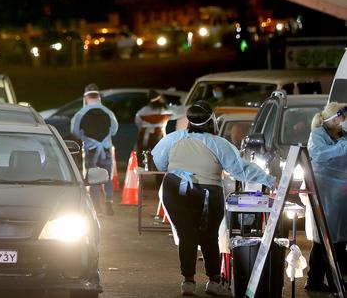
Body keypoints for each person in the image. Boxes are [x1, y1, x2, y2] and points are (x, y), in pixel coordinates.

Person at [151, 100, 275, 296]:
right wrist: (268, 179)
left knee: (186, 235)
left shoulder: (173, 138)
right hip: (207, 192)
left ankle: (188, 282)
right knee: (209, 236)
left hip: (174, 189)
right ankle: (213, 281)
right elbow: (240, 169)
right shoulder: (218, 143)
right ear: (212, 122)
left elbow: (158, 160)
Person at [304, 102, 347, 292]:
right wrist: (344, 145)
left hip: (341, 192)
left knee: (339, 238)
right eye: (342, 117)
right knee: (323, 236)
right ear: (333, 118)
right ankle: (314, 280)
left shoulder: (343, 135)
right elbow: (320, 155)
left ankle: (335, 280)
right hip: (324, 189)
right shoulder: (318, 135)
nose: (344, 120)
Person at [71, 83, 118, 216]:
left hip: (91, 151)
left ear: (86, 98)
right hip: (106, 150)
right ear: (98, 96)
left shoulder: (80, 113)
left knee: (93, 179)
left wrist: (87, 138)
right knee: (107, 178)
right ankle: (109, 203)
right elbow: (114, 130)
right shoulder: (108, 112)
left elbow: (75, 132)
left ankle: (97, 208)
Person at [135, 90, 172, 169]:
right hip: (159, 134)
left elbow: (138, 122)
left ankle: (143, 173)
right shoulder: (166, 110)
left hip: (145, 134)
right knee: (159, 156)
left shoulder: (143, 110)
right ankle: (159, 176)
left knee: (143, 156)